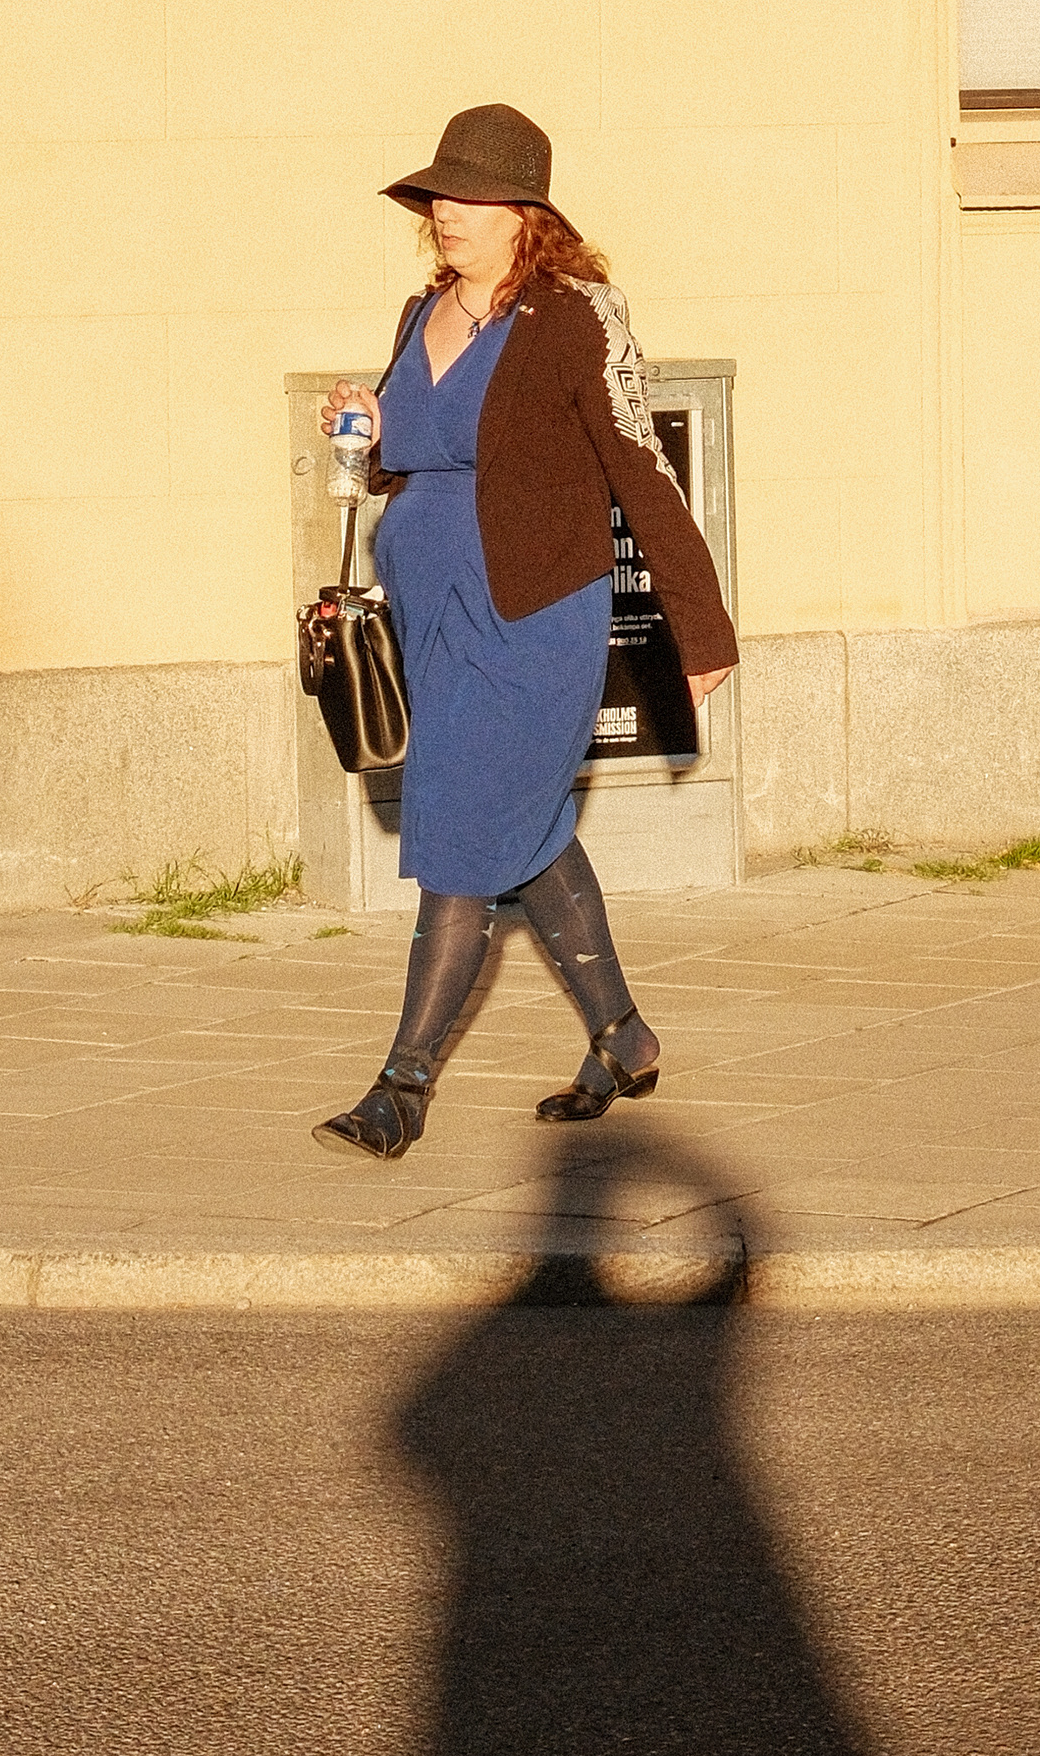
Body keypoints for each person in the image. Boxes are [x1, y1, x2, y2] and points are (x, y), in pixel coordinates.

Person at [314, 102, 736, 1162]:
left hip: (533, 618)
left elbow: (640, 466)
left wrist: (703, 629)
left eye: (466, 197)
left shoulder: (575, 316)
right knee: (528, 835)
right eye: (437, 196)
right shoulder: (420, 317)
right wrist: (355, 434)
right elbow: (399, 467)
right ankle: (623, 1036)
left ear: (520, 211)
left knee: (458, 843)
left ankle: (401, 1088)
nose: (443, 213)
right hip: (433, 616)